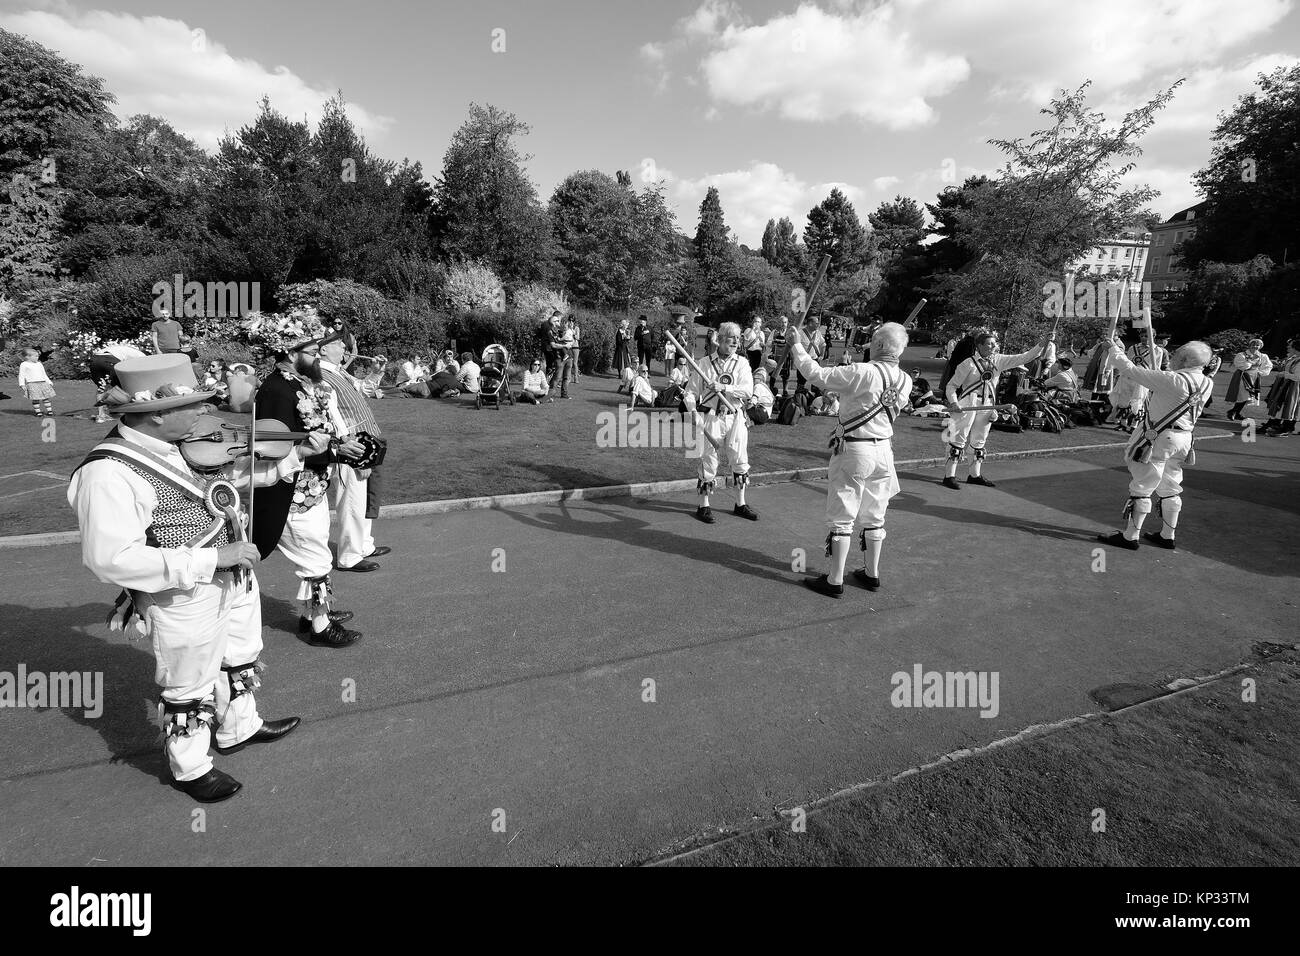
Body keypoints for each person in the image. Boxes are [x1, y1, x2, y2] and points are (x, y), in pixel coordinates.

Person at [67, 354, 323, 801]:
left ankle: (239, 727)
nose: (209, 413)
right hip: (182, 591)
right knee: (190, 678)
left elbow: (230, 478)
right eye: (197, 405)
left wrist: (295, 451)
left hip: (234, 575)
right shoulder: (108, 471)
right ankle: (190, 767)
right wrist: (210, 560)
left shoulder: (184, 444)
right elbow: (108, 558)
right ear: (159, 413)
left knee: (242, 652)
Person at [251, 317, 364, 648]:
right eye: (313, 351)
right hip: (292, 492)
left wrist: (337, 447)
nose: (318, 357)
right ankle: (319, 626)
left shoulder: (301, 383)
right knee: (315, 558)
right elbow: (273, 449)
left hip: (313, 486)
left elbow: (318, 434)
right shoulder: (275, 391)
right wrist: (333, 448)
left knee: (316, 552)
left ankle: (315, 611)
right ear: (290, 351)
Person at [789, 321, 913, 598]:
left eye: (873, 340)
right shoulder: (906, 380)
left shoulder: (862, 371)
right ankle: (872, 574)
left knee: (843, 515)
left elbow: (817, 374)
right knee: (875, 515)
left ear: (879, 345)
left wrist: (797, 345)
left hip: (856, 449)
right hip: (884, 450)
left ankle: (834, 580)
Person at [1096, 338, 1214, 551]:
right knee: (1171, 486)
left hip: (1159, 438)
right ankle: (1167, 535)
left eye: (1177, 354)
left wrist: (1113, 349)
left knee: (1143, 485)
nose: (1172, 357)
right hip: (1185, 439)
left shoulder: (1172, 379)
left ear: (1186, 359)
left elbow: (1131, 369)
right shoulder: (1207, 382)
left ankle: (1130, 536)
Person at [941, 327, 1056, 490]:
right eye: (989, 344)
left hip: (989, 404)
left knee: (979, 440)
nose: (993, 347)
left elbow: (1024, 357)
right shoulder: (967, 364)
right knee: (958, 438)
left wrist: (1043, 343)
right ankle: (949, 476)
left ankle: (974, 475)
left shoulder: (999, 360)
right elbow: (951, 386)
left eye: (994, 344)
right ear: (979, 346)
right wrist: (954, 403)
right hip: (968, 404)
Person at [319, 329, 390, 573]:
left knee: (368, 493)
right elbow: (332, 413)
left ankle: (364, 545)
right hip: (352, 443)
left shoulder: (340, 373)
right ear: (323, 349)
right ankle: (349, 555)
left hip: (367, 439)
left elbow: (365, 389)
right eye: (339, 344)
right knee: (352, 500)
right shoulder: (321, 376)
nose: (345, 348)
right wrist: (343, 442)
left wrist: (376, 372)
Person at [684, 322, 756, 523]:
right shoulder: (705, 363)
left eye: (737, 338)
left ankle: (740, 504)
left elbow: (747, 391)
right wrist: (693, 412)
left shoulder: (742, 363)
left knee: (740, 458)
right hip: (712, 417)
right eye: (731, 337)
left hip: (735, 415)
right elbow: (690, 392)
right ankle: (703, 505)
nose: (735, 341)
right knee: (708, 459)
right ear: (720, 339)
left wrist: (725, 388)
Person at [1110, 332, 1170, 432]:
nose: (1143, 338)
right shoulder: (1132, 348)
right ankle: (1123, 423)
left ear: (1152, 336)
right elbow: (1126, 362)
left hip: (1143, 379)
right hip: (1128, 378)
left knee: (1138, 401)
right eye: (1142, 336)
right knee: (1123, 401)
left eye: (1146, 336)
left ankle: (1134, 424)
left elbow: (1156, 367)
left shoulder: (1158, 350)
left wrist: (1153, 380)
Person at [1225, 339, 1272, 421]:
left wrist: (1261, 372)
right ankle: (1233, 412)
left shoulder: (1263, 356)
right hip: (1243, 376)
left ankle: (1235, 412)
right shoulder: (1242, 355)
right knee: (1244, 395)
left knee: (1249, 396)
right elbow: (1241, 365)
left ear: (1260, 346)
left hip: (1254, 377)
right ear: (1249, 345)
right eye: (1253, 345)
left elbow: (1268, 366)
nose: (1255, 347)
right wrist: (1251, 361)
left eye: (1257, 345)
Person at [1262, 338, 1300, 436]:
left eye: (1290, 346)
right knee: (1283, 404)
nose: (1288, 347)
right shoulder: (1295, 359)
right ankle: (1279, 425)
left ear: (1296, 348)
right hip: (1288, 385)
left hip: (1294, 387)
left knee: (1290, 405)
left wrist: (1284, 374)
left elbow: (1297, 377)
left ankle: (1286, 428)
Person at [18, 346, 55, 418]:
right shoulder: (24, 364)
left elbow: (44, 374)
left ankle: (49, 411)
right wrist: (22, 384)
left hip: (43, 383)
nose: (37, 357)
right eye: (35, 356)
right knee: (35, 398)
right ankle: (38, 412)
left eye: (37, 356)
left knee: (46, 397)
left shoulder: (39, 364)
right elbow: (21, 375)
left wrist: (49, 381)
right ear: (28, 357)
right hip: (32, 384)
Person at [546, 312, 571, 399]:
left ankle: (564, 394)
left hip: (568, 356)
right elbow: (553, 345)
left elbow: (569, 337)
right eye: (557, 320)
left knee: (567, 378)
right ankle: (549, 394)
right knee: (557, 377)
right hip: (559, 358)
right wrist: (565, 345)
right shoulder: (550, 332)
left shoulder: (561, 331)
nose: (559, 321)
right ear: (553, 322)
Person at [614, 318, 633, 391]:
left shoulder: (625, 331)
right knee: (620, 361)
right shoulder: (619, 332)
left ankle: (624, 375)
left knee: (625, 361)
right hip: (620, 348)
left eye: (627, 325)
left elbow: (625, 341)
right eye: (625, 325)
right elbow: (619, 341)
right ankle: (620, 375)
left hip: (624, 348)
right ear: (623, 325)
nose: (626, 327)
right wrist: (625, 338)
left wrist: (628, 338)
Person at [567, 316, 581, 383]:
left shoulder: (576, 328)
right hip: (569, 347)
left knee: (575, 363)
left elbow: (577, 337)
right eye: (570, 320)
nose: (571, 322)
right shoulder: (566, 328)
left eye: (572, 321)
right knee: (569, 363)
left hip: (575, 347)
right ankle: (568, 378)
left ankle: (576, 378)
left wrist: (572, 330)